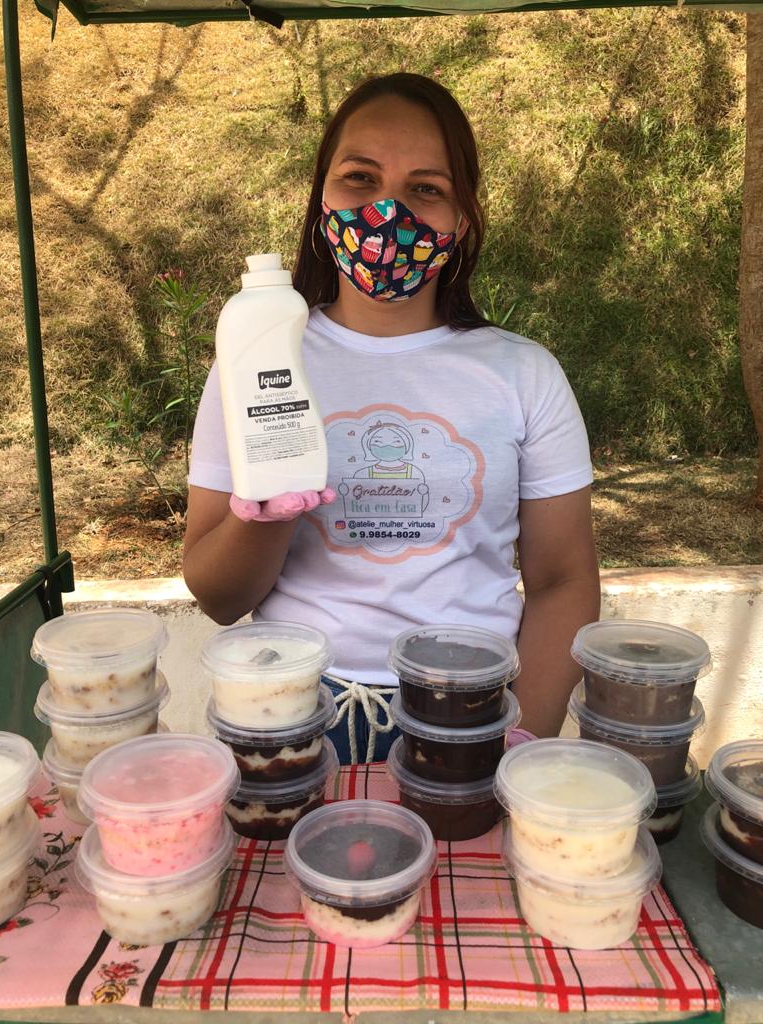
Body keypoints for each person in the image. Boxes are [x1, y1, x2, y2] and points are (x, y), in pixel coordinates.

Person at [183, 73, 601, 764]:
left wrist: (518, 739)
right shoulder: (256, 366)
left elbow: (563, 581)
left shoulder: (523, 373)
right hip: (288, 710)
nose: (387, 212)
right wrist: (269, 514)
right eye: (360, 178)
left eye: (425, 188)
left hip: (471, 708)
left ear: (462, 219)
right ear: (322, 199)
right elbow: (219, 598)